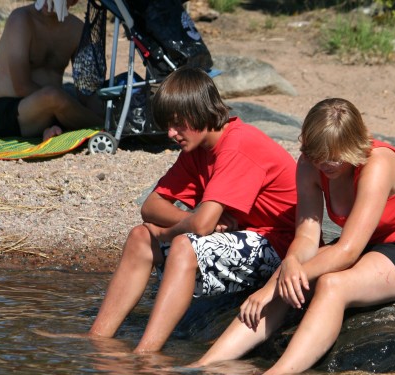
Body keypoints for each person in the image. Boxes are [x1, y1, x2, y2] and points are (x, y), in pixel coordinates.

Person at [190, 98, 395, 375]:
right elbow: (307, 233)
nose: (327, 164)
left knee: (332, 284)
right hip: (373, 246)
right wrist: (291, 263)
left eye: (337, 156)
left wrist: (270, 288)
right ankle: (204, 365)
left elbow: (347, 251)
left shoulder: (378, 163)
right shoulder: (309, 164)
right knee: (289, 278)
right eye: (319, 155)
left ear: (354, 145)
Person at [87, 66, 297, 353]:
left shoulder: (236, 145)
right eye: (167, 126)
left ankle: (145, 353)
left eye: (177, 124)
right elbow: (150, 207)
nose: (172, 134)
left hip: (281, 249)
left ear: (200, 111)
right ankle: (97, 339)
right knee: (140, 237)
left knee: (186, 245)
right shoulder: (197, 150)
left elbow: (202, 228)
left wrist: (174, 229)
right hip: (244, 240)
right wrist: (188, 219)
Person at [0, 0, 103, 142]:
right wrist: (62, 102)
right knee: (53, 95)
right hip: (13, 111)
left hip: (54, 110)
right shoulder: (20, 20)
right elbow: (21, 86)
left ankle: (54, 128)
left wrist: (97, 108)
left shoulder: (77, 29)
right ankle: (103, 125)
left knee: (92, 100)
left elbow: (86, 90)